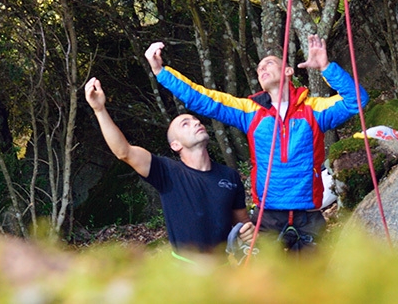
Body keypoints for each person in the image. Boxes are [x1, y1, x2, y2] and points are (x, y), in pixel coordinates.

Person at [144, 34, 368, 249]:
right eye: (259, 67)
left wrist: (326, 67)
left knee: (312, 285)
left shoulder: (314, 109)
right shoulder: (250, 112)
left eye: (269, 63)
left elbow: (356, 100)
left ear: (288, 71)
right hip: (267, 217)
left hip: (308, 217)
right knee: (264, 285)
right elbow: (203, 99)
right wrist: (160, 71)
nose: (262, 68)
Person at [84, 77, 254, 261]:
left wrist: (249, 232)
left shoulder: (229, 176)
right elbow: (124, 152)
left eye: (196, 120)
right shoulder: (167, 171)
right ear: (175, 145)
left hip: (223, 272)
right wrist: (99, 110)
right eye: (185, 124)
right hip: (183, 274)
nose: (196, 123)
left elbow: (242, 223)